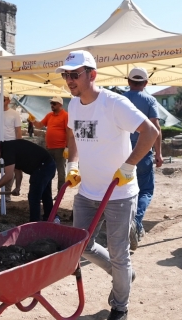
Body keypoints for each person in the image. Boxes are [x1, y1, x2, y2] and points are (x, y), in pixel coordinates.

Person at [58, 50, 158, 320]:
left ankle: (120, 306)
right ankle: (122, 274)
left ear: (92, 74)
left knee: (119, 252)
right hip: (87, 191)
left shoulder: (114, 103)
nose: (69, 80)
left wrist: (129, 166)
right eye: (66, 75)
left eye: (74, 74)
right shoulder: (74, 105)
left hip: (119, 192)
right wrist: (72, 165)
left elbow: (151, 132)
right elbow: (74, 136)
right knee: (81, 246)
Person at [122, 68, 163, 250]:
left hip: (122, 153)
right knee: (145, 190)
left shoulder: (120, 99)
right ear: (146, 83)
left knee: (124, 189)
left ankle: (123, 224)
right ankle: (136, 222)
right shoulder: (149, 100)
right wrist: (159, 153)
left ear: (128, 81)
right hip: (143, 152)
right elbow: (155, 129)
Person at [0, 138, 56, 222]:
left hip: (44, 166)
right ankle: (51, 219)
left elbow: (8, 176)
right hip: (48, 165)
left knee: (34, 196)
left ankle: (35, 223)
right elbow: (18, 171)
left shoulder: (7, 150)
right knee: (45, 194)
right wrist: (18, 187)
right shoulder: (8, 148)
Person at [28, 96, 69, 191]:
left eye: (54, 103)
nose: (52, 105)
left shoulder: (65, 115)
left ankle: (60, 192)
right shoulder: (49, 115)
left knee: (61, 171)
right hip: (49, 148)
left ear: (60, 105)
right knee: (48, 170)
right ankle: (47, 191)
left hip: (60, 148)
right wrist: (33, 120)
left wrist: (67, 147)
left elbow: (68, 132)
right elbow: (40, 125)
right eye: (51, 103)